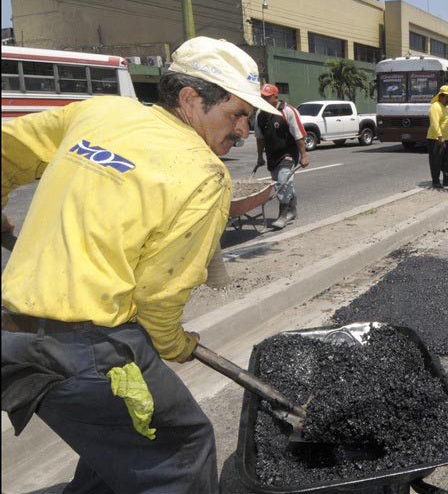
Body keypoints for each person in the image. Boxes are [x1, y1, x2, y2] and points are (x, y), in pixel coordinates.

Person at [1, 36, 281, 493]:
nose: (244, 132)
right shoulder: (204, 175)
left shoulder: (101, 112)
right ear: (191, 99)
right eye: (237, 115)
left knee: (122, 448)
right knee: (181, 450)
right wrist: (175, 344)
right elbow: (158, 295)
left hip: (14, 335)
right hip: (89, 352)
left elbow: (6, 149)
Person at [255, 83, 310, 229]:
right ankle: (292, 210)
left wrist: (304, 155)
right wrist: (260, 157)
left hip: (288, 153)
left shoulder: (288, 111)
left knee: (282, 183)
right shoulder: (260, 114)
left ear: (275, 97)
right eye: (262, 97)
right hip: (272, 155)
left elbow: (299, 135)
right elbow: (259, 138)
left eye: (267, 97)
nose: (264, 99)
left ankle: (282, 216)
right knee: (281, 183)